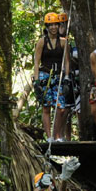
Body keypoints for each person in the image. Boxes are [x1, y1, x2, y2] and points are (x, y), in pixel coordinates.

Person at [33, 13, 70, 142]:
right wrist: (36, 81)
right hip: (45, 76)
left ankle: (58, 135)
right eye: (51, 25)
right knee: (46, 107)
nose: (54, 27)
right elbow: (37, 62)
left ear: (59, 25)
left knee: (61, 108)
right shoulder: (42, 41)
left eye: (55, 24)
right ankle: (49, 137)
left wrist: (66, 77)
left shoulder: (64, 42)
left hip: (58, 76)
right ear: (47, 26)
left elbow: (66, 62)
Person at [59, 12, 80, 140]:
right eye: (61, 24)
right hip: (64, 77)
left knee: (76, 109)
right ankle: (63, 137)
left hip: (76, 78)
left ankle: (73, 136)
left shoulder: (74, 43)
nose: (63, 27)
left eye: (65, 24)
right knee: (64, 109)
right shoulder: (59, 42)